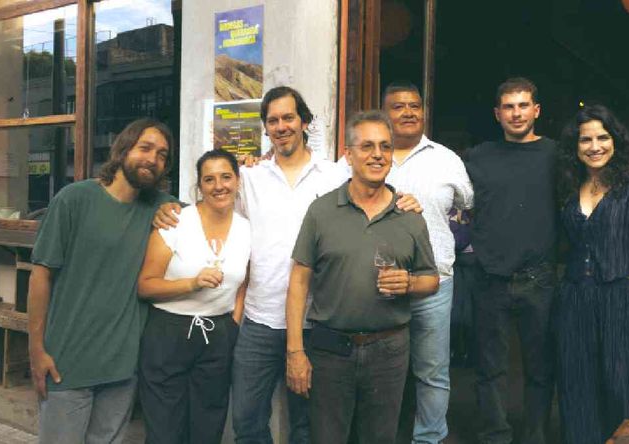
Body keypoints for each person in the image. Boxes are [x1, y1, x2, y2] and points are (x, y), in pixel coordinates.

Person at [152, 86, 420, 443]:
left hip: (315, 323)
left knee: (307, 426)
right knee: (247, 421)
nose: (281, 126)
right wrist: (169, 208)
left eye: (289, 117)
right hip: (259, 321)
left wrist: (406, 199)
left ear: (304, 122)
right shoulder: (249, 178)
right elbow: (210, 206)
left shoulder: (334, 175)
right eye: (273, 120)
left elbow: (376, 194)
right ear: (265, 128)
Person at [286, 110, 440, 444]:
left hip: (389, 349)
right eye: (367, 146)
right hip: (330, 350)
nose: (377, 154)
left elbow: (432, 279)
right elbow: (298, 282)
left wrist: (410, 283)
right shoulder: (322, 211)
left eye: (385, 146)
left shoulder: (410, 216)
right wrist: (295, 352)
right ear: (349, 154)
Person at [339, 81, 473, 443]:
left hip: (434, 285)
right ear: (384, 113)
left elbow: (467, 207)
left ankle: (428, 438)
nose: (409, 112)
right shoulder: (360, 158)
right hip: (376, 285)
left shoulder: (447, 160)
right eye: (398, 106)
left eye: (415, 105)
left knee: (432, 372)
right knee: (375, 372)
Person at [28, 119, 175, 444]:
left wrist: (256, 168)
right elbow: (40, 276)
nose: (153, 159)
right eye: (145, 148)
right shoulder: (74, 199)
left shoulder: (161, 208)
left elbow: (213, 208)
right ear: (123, 149)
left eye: (162, 155)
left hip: (122, 367)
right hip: (67, 362)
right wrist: (36, 350)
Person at [556, 104, 629, 444]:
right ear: (575, 147)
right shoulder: (571, 189)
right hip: (577, 302)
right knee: (579, 391)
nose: (595, 146)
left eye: (602, 138)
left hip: (626, 299)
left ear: (616, 141)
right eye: (585, 140)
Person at [465, 77, 557, 444]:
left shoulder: (557, 155)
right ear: (497, 114)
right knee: (490, 369)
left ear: (536, 110)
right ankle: (495, 437)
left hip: (540, 278)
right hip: (490, 277)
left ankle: (535, 436)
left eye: (523, 105)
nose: (516, 113)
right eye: (508, 107)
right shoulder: (477, 156)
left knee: (540, 369)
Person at [137, 149, 250, 444]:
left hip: (218, 333)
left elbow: (244, 282)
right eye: (209, 179)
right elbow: (145, 286)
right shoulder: (176, 222)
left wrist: (233, 322)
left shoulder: (246, 228)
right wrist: (191, 283)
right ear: (199, 186)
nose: (219, 186)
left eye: (226, 177)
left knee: (208, 427)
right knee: (164, 430)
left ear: (237, 181)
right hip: (168, 331)